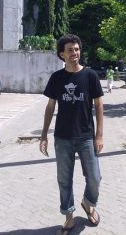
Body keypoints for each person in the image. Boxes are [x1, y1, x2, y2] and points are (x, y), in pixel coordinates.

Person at [40, 34, 104, 235]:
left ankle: (88, 202)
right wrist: (43, 136)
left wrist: (99, 135)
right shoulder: (57, 78)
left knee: (94, 176)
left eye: (77, 49)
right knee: (64, 180)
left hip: (86, 136)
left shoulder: (90, 75)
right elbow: (50, 107)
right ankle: (69, 218)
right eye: (70, 50)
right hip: (63, 137)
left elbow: (99, 105)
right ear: (62, 54)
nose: (75, 53)